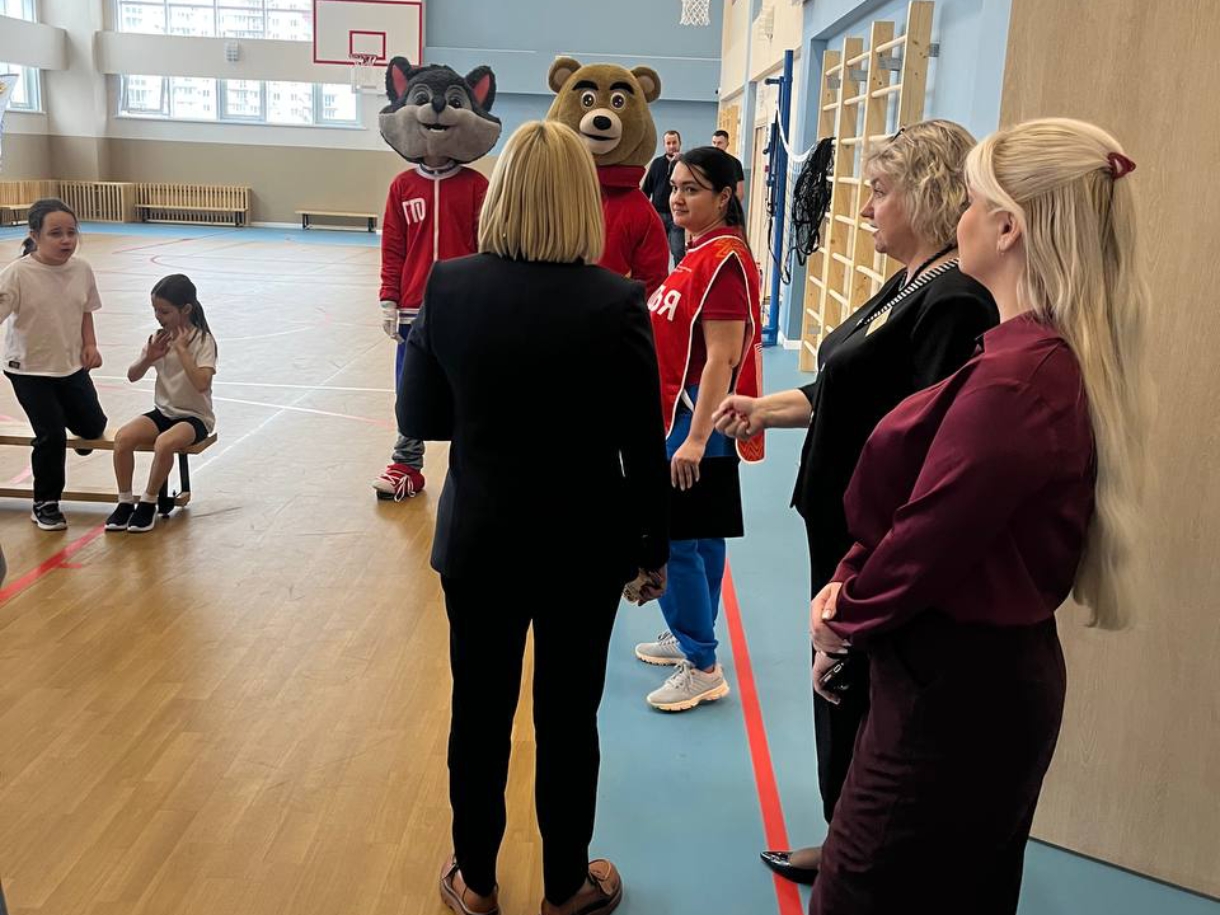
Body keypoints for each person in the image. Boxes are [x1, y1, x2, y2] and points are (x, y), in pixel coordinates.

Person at [808, 117, 1149, 915]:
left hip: (953, 701)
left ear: (1006, 228)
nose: (957, 218)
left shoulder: (1018, 381)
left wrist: (841, 615)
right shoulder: (1026, 357)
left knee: (860, 894)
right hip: (970, 685)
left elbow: (928, 536)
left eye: (969, 202)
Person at [713, 120, 998, 882]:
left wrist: (869, 561)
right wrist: (763, 408)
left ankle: (858, 852)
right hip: (838, 524)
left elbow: (928, 446)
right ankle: (845, 836)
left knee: (855, 688)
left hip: (871, 543)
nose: (865, 208)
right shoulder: (911, 281)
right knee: (838, 689)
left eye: (879, 191)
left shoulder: (954, 302)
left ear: (928, 194)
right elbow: (843, 385)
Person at [398, 120, 670, 915]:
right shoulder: (617, 300)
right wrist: (653, 546)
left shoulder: (449, 285)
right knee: (569, 719)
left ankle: (477, 881)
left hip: (479, 539)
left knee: (478, 715)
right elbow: (642, 443)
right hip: (583, 547)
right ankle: (565, 887)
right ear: (582, 199)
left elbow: (420, 415)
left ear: (502, 196)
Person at [634, 146, 764, 712]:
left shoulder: (723, 262)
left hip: (695, 422)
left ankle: (702, 664)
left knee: (677, 543)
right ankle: (694, 637)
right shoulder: (698, 252)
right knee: (703, 538)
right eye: (675, 186)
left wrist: (694, 438)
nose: (677, 197)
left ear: (724, 196)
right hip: (690, 418)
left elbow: (722, 359)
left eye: (691, 189)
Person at [373, 56, 501, 501]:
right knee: (410, 388)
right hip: (413, 309)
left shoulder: (477, 186)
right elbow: (393, 247)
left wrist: (489, 301)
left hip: (466, 310)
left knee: (469, 388)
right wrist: (389, 298)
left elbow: (489, 247)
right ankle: (407, 464)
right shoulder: (402, 187)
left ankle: (472, 466)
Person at [0, 198, 107, 531]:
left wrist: (90, 345)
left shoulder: (82, 269)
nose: (66, 240)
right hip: (28, 369)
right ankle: (45, 503)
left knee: (93, 428)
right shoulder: (17, 274)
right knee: (51, 435)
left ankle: (65, 415)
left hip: (70, 365)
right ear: (35, 236)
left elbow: (85, 310)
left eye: (71, 233)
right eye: (56, 233)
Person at [105, 274, 217, 534]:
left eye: (164, 311)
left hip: (195, 418)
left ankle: (148, 502)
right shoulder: (158, 338)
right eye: (155, 310)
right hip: (164, 412)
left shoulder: (203, 341)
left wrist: (183, 351)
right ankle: (125, 502)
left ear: (185, 309)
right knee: (123, 438)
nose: (158, 316)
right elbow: (132, 375)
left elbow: (201, 383)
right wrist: (148, 358)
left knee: (164, 443)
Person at [643, 129, 686, 265]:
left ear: (680, 143)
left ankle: (680, 277)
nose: (672, 146)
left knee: (678, 250)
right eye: (668, 143)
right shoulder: (656, 163)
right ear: (664, 145)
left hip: (677, 214)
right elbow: (646, 189)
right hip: (658, 215)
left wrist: (677, 162)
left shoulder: (685, 165)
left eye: (674, 142)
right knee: (656, 251)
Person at [711, 129, 745, 202]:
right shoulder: (704, 161)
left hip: (727, 203)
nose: (716, 146)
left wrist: (732, 207)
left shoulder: (735, 163)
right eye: (714, 143)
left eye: (719, 143)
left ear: (727, 144)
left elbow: (740, 192)